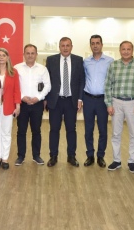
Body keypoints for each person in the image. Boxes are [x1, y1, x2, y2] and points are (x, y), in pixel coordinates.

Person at [104, 41, 134, 173]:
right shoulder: (113, 65)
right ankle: (116, 160)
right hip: (116, 102)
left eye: (128, 49)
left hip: (132, 103)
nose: (126, 51)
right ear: (120, 50)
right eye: (123, 49)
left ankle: (131, 161)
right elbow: (107, 85)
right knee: (115, 133)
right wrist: (109, 104)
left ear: (132, 50)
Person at [45, 37, 85, 167]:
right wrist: (46, 99)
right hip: (55, 101)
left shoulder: (78, 60)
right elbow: (46, 80)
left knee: (71, 129)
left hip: (71, 101)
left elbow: (81, 81)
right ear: (59, 47)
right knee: (54, 129)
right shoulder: (51, 60)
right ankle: (53, 156)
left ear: (71, 47)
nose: (65, 48)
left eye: (68, 45)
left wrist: (80, 99)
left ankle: (71, 156)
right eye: (63, 45)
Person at [14, 44, 51, 165]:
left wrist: (38, 98)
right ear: (24, 54)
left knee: (36, 131)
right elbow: (13, 86)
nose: (30, 55)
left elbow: (47, 86)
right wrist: (22, 97)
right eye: (28, 53)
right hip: (22, 104)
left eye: (32, 53)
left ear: (36, 55)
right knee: (21, 131)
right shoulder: (16, 68)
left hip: (37, 104)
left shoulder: (42, 69)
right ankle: (21, 156)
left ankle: (36, 155)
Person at [82, 35, 113, 167]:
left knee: (103, 130)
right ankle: (90, 155)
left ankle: (101, 156)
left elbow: (112, 82)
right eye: (93, 43)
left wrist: (111, 101)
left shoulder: (110, 61)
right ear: (90, 45)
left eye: (97, 43)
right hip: (88, 99)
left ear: (101, 45)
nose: (95, 45)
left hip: (102, 100)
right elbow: (82, 79)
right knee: (88, 130)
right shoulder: (85, 62)